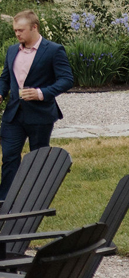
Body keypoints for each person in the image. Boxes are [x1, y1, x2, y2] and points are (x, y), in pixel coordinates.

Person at [0, 10, 74, 201]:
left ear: (34, 27)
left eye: (21, 30)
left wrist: (41, 93)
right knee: (9, 157)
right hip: (13, 115)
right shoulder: (11, 50)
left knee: (38, 159)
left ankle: (34, 200)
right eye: (15, 30)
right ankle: (5, 201)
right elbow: (5, 79)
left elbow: (66, 79)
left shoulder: (53, 50)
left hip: (40, 115)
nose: (17, 34)